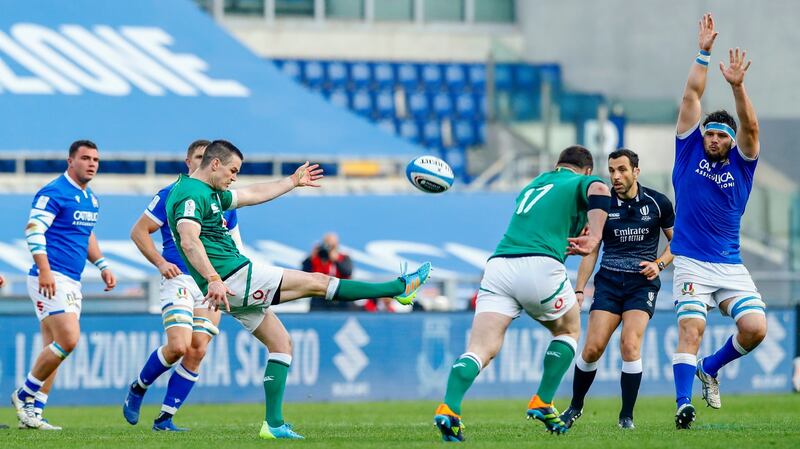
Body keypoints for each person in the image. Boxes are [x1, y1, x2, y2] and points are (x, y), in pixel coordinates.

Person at [165, 140, 431, 439]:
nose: (234, 177)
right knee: (316, 282)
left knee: (281, 344)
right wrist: (213, 278)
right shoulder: (191, 193)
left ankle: (273, 425)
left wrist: (291, 181)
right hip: (234, 276)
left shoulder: (208, 192)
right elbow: (189, 240)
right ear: (215, 164)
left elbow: (251, 194)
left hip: (231, 283)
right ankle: (397, 288)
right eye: (232, 170)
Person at [433, 145, 611, 441]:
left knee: (480, 349)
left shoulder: (535, 183)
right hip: (538, 264)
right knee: (568, 330)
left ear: (557, 164)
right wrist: (594, 234)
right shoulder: (579, 181)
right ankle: (543, 400)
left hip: (499, 266)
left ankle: (449, 407)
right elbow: (600, 189)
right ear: (586, 169)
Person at [670, 13, 766, 429]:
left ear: (730, 142)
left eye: (720, 136)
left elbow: (751, 126)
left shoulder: (742, 166)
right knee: (692, 326)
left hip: (729, 264)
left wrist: (738, 85)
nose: (713, 139)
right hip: (690, 259)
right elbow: (692, 95)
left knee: (755, 328)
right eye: (710, 133)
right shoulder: (688, 150)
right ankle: (682, 404)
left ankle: (710, 367)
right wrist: (703, 52)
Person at [122, 140, 244, 431]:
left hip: (211, 282)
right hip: (179, 278)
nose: (203, 162)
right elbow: (139, 231)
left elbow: (236, 245)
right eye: (198, 157)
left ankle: (165, 419)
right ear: (189, 162)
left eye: (207, 157)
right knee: (178, 346)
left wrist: (233, 278)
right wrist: (161, 263)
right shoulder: (171, 194)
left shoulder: (224, 201)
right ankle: (139, 387)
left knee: (197, 348)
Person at [559, 149, 675, 430]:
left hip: (641, 284)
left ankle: (626, 416)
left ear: (636, 171)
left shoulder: (658, 203)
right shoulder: (602, 204)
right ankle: (575, 407)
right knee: (592, 349)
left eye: (622, 170)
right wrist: (579, 289)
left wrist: (659, 264)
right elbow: (591, 249)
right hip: (609, 282)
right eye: (612, 170)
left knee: (630, 345)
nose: (616, 176)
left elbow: (679, 241)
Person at [11, 140, 117, 430]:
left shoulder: (91, 198)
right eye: (85, 158)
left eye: (96, 159)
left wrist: (103, 265)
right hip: (51, 277)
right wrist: (44, 270)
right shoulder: (54, 192)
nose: (92, 163)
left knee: (53, 347)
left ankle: (34, 414)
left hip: (72, 279)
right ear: (71, 161)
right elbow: (33, 230)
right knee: (69, 340)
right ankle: (23, 395)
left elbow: (86, 234)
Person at [302, 232, 354, 310]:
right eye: (327, 244)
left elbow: (347, 272)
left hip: (340, 297)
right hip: (320, 296)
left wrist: (336, 260)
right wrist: (310, 258)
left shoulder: (343, 258)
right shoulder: (316, 258)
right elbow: (304, 273)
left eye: (332, 245)